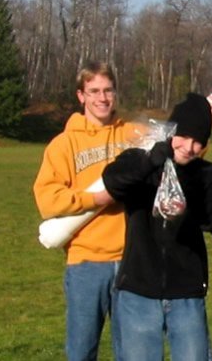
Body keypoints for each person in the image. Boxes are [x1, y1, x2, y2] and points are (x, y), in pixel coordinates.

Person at [100, 92, 212, 360]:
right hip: (137, 290)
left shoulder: (207, 174)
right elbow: (113, 180)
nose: (189, 147)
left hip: (186, 293)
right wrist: (151, 160)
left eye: (198, 142)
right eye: (184, 137)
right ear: (170, 132)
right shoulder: (140, 160)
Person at [33, 60, 138, 361]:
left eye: (107, 90)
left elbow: (180, 147)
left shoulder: (132, 134)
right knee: (81, 351)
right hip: (85, 263)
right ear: (81, 96)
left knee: (133, 352)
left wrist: (201, 118)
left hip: (132, 261)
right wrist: (98, 199)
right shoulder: (63, 144)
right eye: (94, 91)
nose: (102, 98)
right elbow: (48, 200)